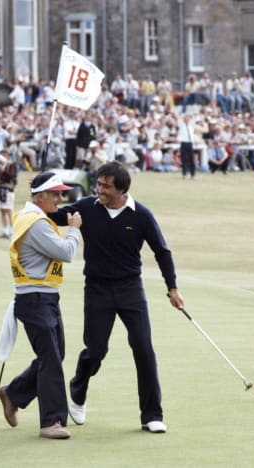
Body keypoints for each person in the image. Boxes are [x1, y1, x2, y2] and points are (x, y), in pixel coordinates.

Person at [48, 161, 185, 434]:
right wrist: (37, 201)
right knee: (96, 350)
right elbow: (53, 216)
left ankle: (151, 414)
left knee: (143, 347)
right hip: (97, 289)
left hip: (130, 289)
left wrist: (172, 287)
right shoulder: (87, 207)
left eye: (106, 186)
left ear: (122, 190)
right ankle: (78, 388)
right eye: (98, 184)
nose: (99, 189)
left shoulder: (141, 215)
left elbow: (162, 251)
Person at [0, 171, 83, 440]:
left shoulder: (33, 218)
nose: (61, 198)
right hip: (35, 299)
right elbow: (67, 253)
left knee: (55, 354)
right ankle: (51, 422)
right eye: (56, 194)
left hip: (43, 297)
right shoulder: (36, 223)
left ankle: (13, 393)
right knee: (51, 359)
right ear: (40, 196)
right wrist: (75, 231)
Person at [0, 150, 18, 239]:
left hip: (9, 190)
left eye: (5, 155)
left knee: (9, 210)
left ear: (8, 156)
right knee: (2, 210)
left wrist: (4, 170)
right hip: (1, 189)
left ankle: (12, 232)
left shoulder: (12, 165)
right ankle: (5, 231)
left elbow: (11, 176)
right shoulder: (0, 165)